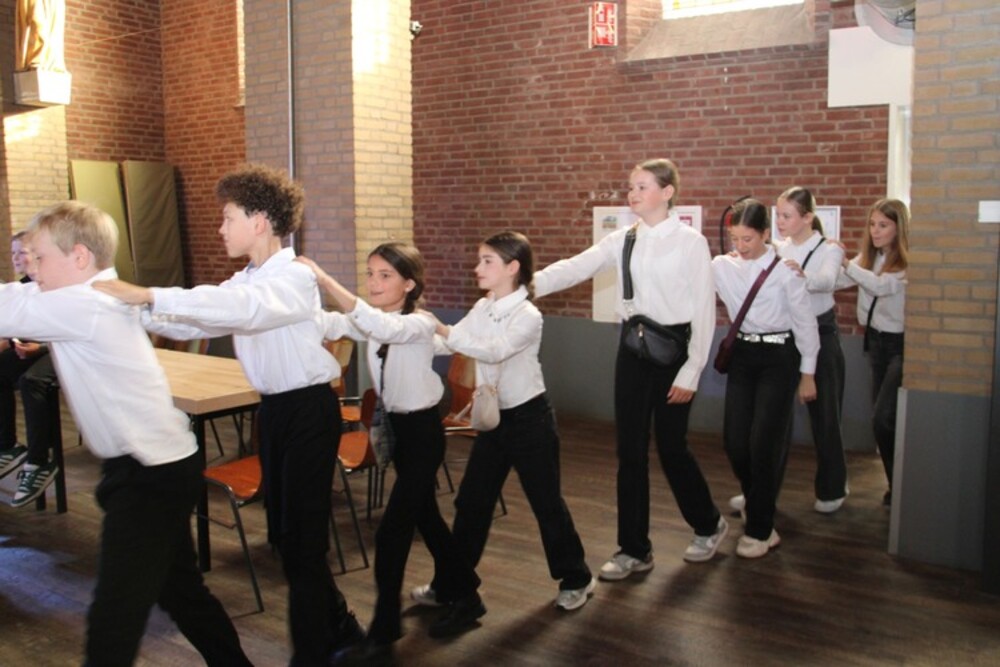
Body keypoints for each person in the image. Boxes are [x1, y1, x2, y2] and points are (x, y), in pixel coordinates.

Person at [94, 164, 364, 665]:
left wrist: (149, 294)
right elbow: (205, 315)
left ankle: (313, 652)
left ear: (258, 221)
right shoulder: (248, 279)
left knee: (302, 544)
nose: (221, 228)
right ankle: (339, 624)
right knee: (284, 537)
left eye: (228, 217)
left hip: (309, 410)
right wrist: (136, 310)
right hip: (278, 412)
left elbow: (242, 308)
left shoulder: (293, 276)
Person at [0, 201, 252, 665]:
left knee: (115, 616)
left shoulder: (83, 303)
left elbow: (7, 305)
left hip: (150, 475)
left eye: (39, 257)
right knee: (180, 592)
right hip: (152, 466)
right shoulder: (88, 298)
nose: (32, 269)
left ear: (79, 256)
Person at [533, 158, 727, 580]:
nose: (633, 193)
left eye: (642, 186)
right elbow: (577, 266)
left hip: (675, 353)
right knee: (630, 451)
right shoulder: (624, 238)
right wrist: (529, 283)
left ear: (667, 192)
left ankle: (709, 524)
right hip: (633, 350)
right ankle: (634, 549)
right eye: (631, 186)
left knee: (672, 448)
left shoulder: (690, 242)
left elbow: (703, 310)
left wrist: (692, 370)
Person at [299, 243, 483, 663]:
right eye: (370, 273)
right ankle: (466, 594)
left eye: (385, 275)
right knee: (427, 518)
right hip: (397, 429)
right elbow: (334, 321)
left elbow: (379, 326)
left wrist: (325, 279)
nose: (374, 282)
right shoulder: (375, 320)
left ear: (409, 284)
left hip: (423, 433)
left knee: (391, 533)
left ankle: (383, 631)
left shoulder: (418, 323)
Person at [413, 230, 596, 612]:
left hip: (531, 421)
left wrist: (442, 329)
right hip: (496, 421)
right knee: (471, 502)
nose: (477, 268)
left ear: (512, 267)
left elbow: (494, 351)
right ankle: (451, 583)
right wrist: (412, 334)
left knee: (546, 504)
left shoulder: (528, 315)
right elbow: (452, 342)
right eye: (479, 260)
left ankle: (577, 577)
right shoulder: (484, 307)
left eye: (487, 261)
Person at [729, 187, 848, 515]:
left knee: (824, 415)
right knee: (773, 424)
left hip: (820, 331)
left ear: (807, 217)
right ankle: (761, 494)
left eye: (787, 215)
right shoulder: (778, 248)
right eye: (777, 215)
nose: (780, 221)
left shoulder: (828, 247)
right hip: (785, 334)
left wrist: (797, 276)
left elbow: (827, 281)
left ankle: (832, 486)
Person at [712, 198, 819, 558]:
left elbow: (805, 323)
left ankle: (761, 529)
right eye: (735, 239)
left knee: (764, 443)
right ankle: (757, 495)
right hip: (743, 355)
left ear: (765, 234)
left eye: (748, 239)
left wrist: (808, 373)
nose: (740, 246)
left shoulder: (785, 270)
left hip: (780, 358)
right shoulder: (721, 267)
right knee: (734, 441)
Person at [837, 198, 909, 506]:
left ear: (898, 228)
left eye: (883, 225)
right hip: (875, 343)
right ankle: (896, 485)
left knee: (883, 417)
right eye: (872, 224)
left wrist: (846, 264)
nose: (875, 231)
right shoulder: (869, 258)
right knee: (881, 419)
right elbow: (840, 280)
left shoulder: (905, 263)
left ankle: (902, 482)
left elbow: (880, 286)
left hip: (900, 346)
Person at [0, 231, 62, 507]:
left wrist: (40, 346)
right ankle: (7, 445)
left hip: (64, 350)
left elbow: (69, 330)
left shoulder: (57, 285)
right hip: (41, 348)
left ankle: (39, 461)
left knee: (31, 381)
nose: (15, 258)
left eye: (21, 252)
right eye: (12, 253)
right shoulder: (23, 287)